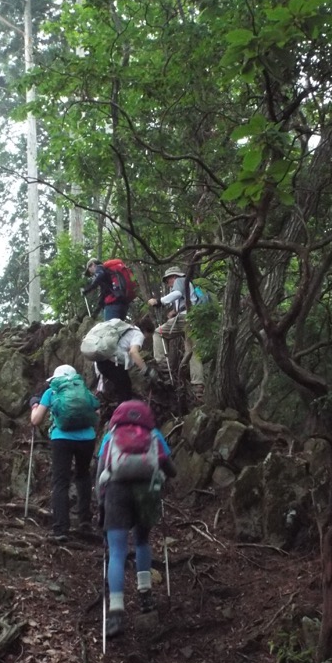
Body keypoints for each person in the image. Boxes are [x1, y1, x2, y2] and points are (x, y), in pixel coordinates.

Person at [96, 400, 176, 638]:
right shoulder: (154, 435)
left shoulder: (110, 436)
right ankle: (145, 596)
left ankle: (116, 612)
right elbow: (171, 468)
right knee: (142, 542)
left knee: (117, 550)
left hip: (115, 492)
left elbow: (100, 468)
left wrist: (100, 502)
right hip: (146, 492)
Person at [30, 365, 100, 542]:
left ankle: (61, 528)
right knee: (83, 476)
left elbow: (36, 420)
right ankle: (85, 521)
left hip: (61, 439)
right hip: (87, 438)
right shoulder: (84, 391)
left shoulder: (52, 391)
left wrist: (34, 406)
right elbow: (96, 413)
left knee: (61, 480)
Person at [147, 266, 205, 399]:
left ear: (172, 277)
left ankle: (161, 365)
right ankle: (198, 386)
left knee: (158, 332)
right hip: (194, 318)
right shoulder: (188, 283)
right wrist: (174, 312)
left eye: (168, 281)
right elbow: (186, 300)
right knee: (193, 351)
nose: (168, 284)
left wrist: (159, 301)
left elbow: (177, 294)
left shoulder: (180, 280)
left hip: (186, 318)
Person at [94, 315, 158, 403]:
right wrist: (146, 370)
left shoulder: (129, 328)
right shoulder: (139, 334)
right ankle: (124, 414)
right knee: (125, 391)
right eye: (149, 335)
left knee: (123, 388)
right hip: (112, 363)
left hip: (102, 360)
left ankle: (120, 411)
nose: (147, 338)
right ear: (147, 331)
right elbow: (133, 352)